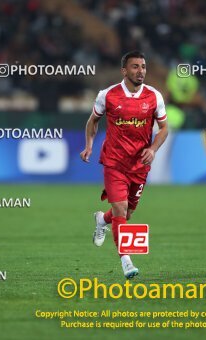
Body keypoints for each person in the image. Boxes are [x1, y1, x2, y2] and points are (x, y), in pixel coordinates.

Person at [80, 51, 169, 279]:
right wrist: (89, 145)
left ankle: (101, 219)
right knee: (120, 209)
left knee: (127, 213)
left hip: (139, 165)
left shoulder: (154, 96)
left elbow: (164, 128)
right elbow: (93, 121)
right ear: (124, 71)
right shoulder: (107, 95)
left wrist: (152, 149)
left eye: (143, 67)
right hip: (114, 162)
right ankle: (126, 262)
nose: (141, 71)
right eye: (135, 67)